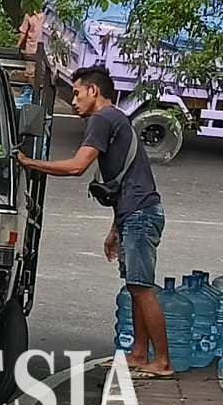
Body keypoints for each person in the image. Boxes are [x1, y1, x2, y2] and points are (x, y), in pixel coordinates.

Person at [15, 65, 171, 379]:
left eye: (76, 93)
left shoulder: (102, 119)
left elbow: (77, 167)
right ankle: (139, 354)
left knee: (142, 288)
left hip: (140, 214)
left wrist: (29, 163)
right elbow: (125, 179)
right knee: (135, 286)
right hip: (134, 213)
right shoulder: (116, 119)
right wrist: (115, 228)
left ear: (93, 91)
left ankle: (162, 362)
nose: (74, 101)